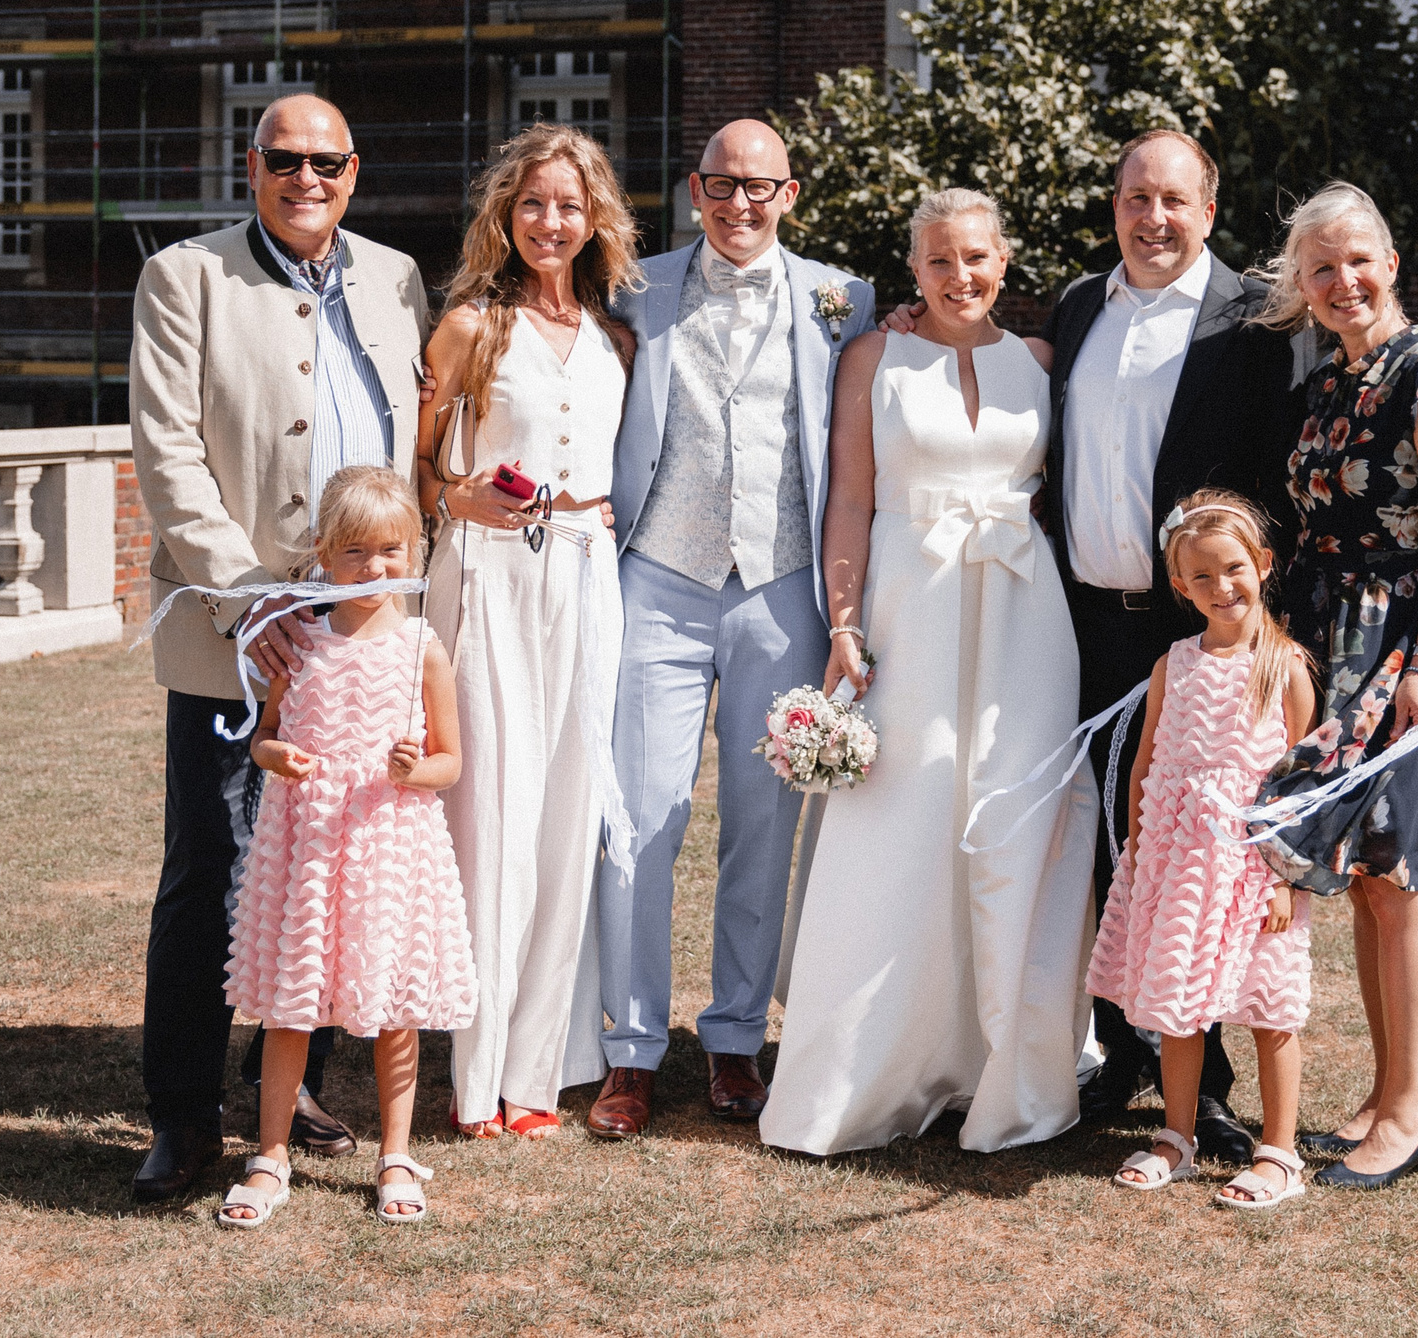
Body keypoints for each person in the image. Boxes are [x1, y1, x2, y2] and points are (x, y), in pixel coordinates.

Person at [127, 94, 429, 1204]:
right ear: (250, 165)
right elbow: (167, 453)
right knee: (212, 866)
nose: (307, 177)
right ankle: (181, 1111)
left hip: (360, 636)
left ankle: (289, 1085)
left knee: (331, 869)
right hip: (237, 632)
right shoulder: (186, 276)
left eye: (328, 161)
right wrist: (252, 605)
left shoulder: (398, 277)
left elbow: (415, 440)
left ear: (356, 169)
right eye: (284, 159)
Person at [759, 188, 1089, 1156]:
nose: (960, 276)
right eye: (940, 260)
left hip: (1024, 621)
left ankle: (1006, 1067)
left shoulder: (1037, 363)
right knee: (900, 822)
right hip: (911, 607)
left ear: (1004, 258)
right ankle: (868, 1068)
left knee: (1012, 822)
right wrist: (846, 621)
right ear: (913, 269)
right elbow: (851, 499)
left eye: (976, 257)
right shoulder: (875, 355)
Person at [584, 120, 875, 1140]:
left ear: (790, 193)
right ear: (693, 189)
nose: (738, 204)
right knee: (637, 818)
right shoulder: (633, 286)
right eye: (719, 184)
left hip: (782, 585)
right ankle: (628, 1049)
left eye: (758, 186)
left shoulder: (846, 298)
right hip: (658, 577)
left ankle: (736, 1035)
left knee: (763, 821)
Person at [1037, 130, 1310, 1154]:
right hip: (1086, 627)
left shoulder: (1253, 317)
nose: (1153, 218)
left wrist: (1244, 626)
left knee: (1219, 853)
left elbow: (1274, 477)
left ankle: (1217, 1082)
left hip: (1201, 640)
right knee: (1120, 844)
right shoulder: (1077, 306)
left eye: (1174, 201)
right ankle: (1126, 1047)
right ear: (1114, 203)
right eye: (1135, 197)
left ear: (1208, 206)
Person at [1255, 181, 1418, 1192]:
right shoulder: (1324, 386)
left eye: (1358, 259)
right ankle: (1382, 1091)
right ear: (1302, 286)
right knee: (1355, 878)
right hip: (1323, 647)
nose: (1342, 280)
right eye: (1321, 267)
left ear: (1390, 262)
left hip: (1402, 653)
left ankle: (1408, 1115)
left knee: (1400, 877)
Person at [415, 122, 638, 1140]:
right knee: (491, 817)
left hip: (586, 575)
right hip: (489, 577)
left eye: (570, 204)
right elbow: (413, 468)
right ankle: (474, 1079)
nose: (552, 221)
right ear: (507, 213)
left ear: (595, 220)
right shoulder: (469, 325)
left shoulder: (612, 334)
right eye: (535, 202)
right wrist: (455, 496)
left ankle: (537, 1076)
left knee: (565, 814)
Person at [216, 467, 473, 1230]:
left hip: (390, 844)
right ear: (323, 554)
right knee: (294, 1004)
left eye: (392, 550)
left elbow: (450, 763)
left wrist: (413, 769)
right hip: (308, 847)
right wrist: (276, 758)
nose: (375, 568)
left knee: (395, 1003)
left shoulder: (422, 649)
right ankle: (270, 1155)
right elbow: (260, 738)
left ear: (415, 549)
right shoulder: (299, 645)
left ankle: (396, 1151)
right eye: (355, 552)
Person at [1087, 492, 1315, 1211]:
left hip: (1254, 871)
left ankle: (1279, 1151)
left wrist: (1283, 878)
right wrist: (1136, 854)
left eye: (1235, 570)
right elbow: (1147, 765)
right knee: (1179, 1009)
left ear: (1264, 565)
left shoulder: (1284, 666)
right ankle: (1176, 1138)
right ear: (1180, 586)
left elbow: (1304, 784)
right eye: (1204, 578)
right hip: (1179, 866)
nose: (1224, 588)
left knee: (1270, 1006)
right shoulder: (1173, 664)